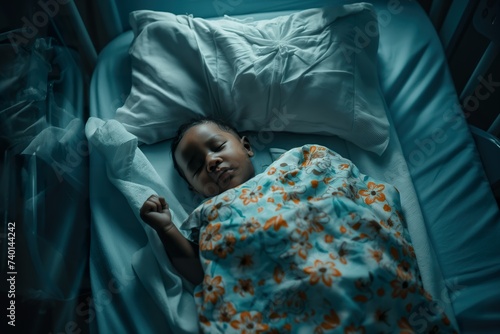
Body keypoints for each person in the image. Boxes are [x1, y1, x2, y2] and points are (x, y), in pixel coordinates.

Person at [140, 117, 255, 285]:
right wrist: (166, 228)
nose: (211, 161)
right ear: (194, 188)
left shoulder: (287, 168)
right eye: (197, 166)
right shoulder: (207, 215)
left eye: (218, 147)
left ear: (246, 147)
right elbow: (200, 273)